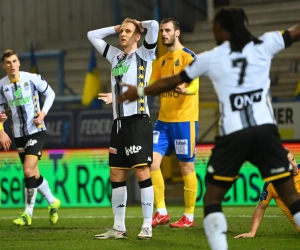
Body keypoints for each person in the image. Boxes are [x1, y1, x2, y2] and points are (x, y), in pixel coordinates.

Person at [118, 7, 300, 250]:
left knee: (213, 197)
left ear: (221, 29)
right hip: (265, 134)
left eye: (215, 27)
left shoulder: (211, 56)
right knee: (290, 195)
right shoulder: (265, 43)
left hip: (233, 136)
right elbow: (294, 32)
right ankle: (165, 212)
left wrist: (137, 91)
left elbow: (171, 81)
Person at [87, 18, 159, 240]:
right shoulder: (115, 56)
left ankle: (147, 224)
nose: (123, 34)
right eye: (122, 31)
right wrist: (115, 27)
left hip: (137, 120)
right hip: (118, 123)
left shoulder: (145, 55)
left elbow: (154, 25)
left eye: (128, 31)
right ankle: (119, 227)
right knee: (116, 174)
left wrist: (137, 23)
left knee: (142, 171)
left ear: (138, 36)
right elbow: (92, 34)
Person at [0, 49, 61, 226]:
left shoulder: (32, 78)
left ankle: (28, 213)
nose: (12, 65)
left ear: (19, 62)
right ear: (4, 66)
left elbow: (51, 94)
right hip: (18, 134)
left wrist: (43, 112)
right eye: (8, 63)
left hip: (36, 130)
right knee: (33, 173)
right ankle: (52, 201)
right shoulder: (2, 85)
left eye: (14, 61)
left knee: (27, 170)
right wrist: (1, 130)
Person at [149, 18, 199, 228]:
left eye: (167, 30)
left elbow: (195, 85)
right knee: (151, 162)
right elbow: (151, 86)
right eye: (162, 31)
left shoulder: (189, 57)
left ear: (177, 33)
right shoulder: (160, 61)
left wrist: (185, 90)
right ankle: (161, 211)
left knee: (186, 166)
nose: (164, 34)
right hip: (163, 121)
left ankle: (188, 216)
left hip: (184, 120)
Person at [235, 149, 300, 238]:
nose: (294, 165)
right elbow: (260, 208)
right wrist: (252, 232)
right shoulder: (273, 185)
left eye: (293, 159)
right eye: (289, 163)